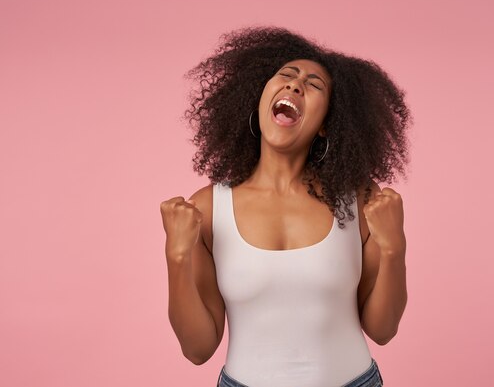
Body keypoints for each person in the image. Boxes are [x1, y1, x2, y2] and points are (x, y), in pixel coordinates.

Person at [160, 26, 411, 387]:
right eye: (287, 76)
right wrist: (177, 258)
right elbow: (197, 349)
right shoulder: (209, 209)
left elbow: (383, 330)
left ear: (326, 124)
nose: (295, 85)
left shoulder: (360, 202)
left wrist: (394, 247)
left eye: (314, 85)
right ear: (258, 99)